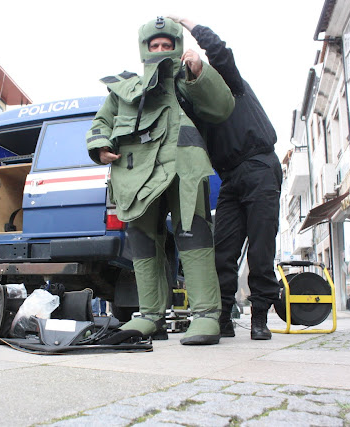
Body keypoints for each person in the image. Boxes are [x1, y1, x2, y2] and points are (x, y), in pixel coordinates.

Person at [86, 17, 235, 345]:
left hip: (185, 168)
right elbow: (101, 122)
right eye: (155, 45)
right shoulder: (125, 89)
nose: (160, 50)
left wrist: (200, 72)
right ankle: (150, 315)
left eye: (167, 45)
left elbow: (222, 107)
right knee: (141, 242)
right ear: (144, 48)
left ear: (177, 47)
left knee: (194, 236)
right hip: (137, 174)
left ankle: (206, 314)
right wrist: (100, 145)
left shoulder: (187, 79)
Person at [169, 17, 283, 340]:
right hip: (231, 179)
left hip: (260, 165)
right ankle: (222, 318)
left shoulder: (229, 83)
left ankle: (259, 318)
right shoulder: (198, 111)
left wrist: (189, 25)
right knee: (223, 251)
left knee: (261, 248)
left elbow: (219, 52)